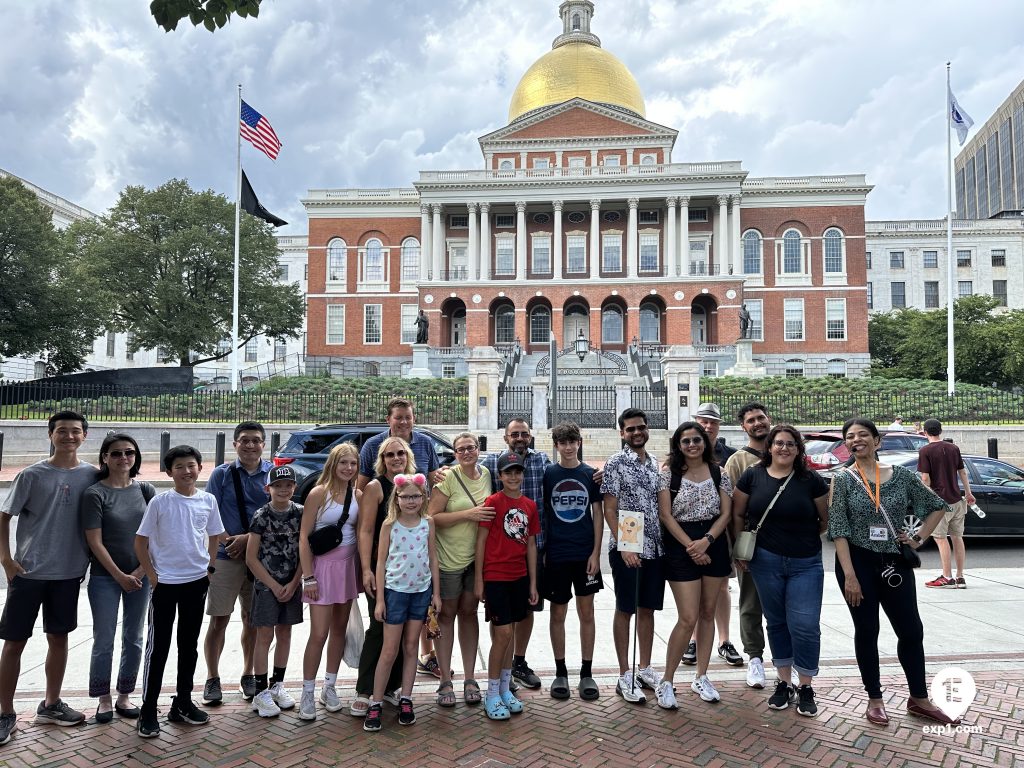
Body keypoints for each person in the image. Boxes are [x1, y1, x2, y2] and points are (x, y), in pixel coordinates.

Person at [828, 418, 959, 727]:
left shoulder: (901, 476)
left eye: (863, 435)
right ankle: (875, 699)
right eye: (850, 437)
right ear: (846, 445)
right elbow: (839, 530)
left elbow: (937, 505)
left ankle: (919, 698)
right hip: (857, 562)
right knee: (867, 630)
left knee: (911, 630)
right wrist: (849, 576)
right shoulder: (843, 479)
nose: (856, 440)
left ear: (877, 441)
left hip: (894, 562)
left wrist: (918, 538)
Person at [0, 411, 94, 743]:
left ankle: (51, 704)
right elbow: (4, 516)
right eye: (61, 431)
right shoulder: (31, 475)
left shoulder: (92, 476)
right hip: (29, 572)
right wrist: (6, 560)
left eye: (75, 431)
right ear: (50, 434)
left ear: (85, 435)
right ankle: (5, 712)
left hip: (68, 573)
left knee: (59, 639)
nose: (68, 436)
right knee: (14, 642)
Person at [733, 425, 829, 718]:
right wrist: (741, 550)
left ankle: (806, 685)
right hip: (765, 561)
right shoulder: (753, 475)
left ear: (798, 449)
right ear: (769, 447)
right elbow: (738, 513)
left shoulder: (809, 479)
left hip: (805, 563)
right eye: (778, 443)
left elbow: (823, 520)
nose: (784, 448)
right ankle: (784, 682)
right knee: (776, 622)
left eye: (790, 444)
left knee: (805, 625)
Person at [134, 445, 225, 738]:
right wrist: (152, 575)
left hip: (196, 582)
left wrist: (210, 567)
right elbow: (140, 542)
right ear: (169, 472)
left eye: (191, 465)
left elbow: (214, 535)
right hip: (165, 585)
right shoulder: (161, 503)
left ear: (200, 467)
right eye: (179, 467)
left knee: (189, 645)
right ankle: (148, 709)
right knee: (158, 647)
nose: (187, 471)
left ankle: (182, 702)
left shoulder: (208, 500)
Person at [657, 422, 733, 709]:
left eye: (696, 440)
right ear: (678, 445)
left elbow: (726, 513)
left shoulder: (719, 473)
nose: (692, 445)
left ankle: (702, 675)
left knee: (707, 612)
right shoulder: (669, 475)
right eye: (686, 441)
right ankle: (667, 680)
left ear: (706, 442)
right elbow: (666, 515)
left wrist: (707, 540)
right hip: (681, 544)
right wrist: (692, 545)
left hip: (713, 542)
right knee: (687, 617)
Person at [83, 433, 156, 724]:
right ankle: (103, 698)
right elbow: (95, 542)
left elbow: (155, 536)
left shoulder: (146, 490)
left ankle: (125, 694)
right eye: (116, 453)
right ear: (104, 458)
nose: (123, 458)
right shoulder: (95, 494)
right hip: (105, 577)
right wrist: (120, 575)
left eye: (129, 452)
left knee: (134, 637)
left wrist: (139, 572)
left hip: (140, 577)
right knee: (104, 639)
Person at [601, 408, 670, 704]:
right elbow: (609, 508)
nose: (637, 432)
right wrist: (626, 546)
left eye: (641, 427)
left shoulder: (655, 463)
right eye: (630, 429)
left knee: (648, 609)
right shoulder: (616, 462)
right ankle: (623, 672)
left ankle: (644, 667)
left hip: (654, 546)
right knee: (625, 609)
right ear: (622, 433)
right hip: (627, 547)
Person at [363, 474, 441, 732]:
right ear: (397, 497)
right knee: (389, 649)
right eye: (406, 496)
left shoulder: (428, 523)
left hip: (421, 592)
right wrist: (380, 601)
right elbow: (381, 562)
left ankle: (406, 698)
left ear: (423, 497)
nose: (411, 501)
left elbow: (432, 557)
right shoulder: (390, 525)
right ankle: (375, 702)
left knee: (411, 647)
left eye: (416, 496)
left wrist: (436, 593)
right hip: (395, 592)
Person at [202, 421, 272, 705]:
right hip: (226, 556)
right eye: (244, 440)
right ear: (235, 444)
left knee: (252, 620)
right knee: (219, 619)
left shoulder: (272, 475)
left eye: (256, 440)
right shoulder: (221, 475)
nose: (250, 445)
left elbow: (279, 512)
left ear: (264, 444)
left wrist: (248, 540)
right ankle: (212, 678)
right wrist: (232, 542)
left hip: (259, 558)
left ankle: (248, 674)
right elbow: (209, 514)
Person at [480, 419, 553, 690]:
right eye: (515, 434)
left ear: (530, 436)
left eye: (524, 434)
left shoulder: (542, 460)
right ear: (506, 437)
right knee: (501, 617)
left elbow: (561, 477)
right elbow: (468, 473)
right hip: (501, 554)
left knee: (526, 610)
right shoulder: (491, 463)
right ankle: (500, 666)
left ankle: (518, 662)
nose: (520, 438)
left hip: (534, 546)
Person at [352, 436, 418, 716]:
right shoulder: (376, 487)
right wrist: (366, 568)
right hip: (383, 570)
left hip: (411, 573)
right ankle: (365, 690)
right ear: (382, 459)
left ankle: (390, 687)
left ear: (408, 456)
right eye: (389, 454)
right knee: (380, 628)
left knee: (403, 632)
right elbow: (365, 530)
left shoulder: (415, 485)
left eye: (400, 453)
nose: (395, 458)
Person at [429, 432, 493, 707]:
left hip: (475, 561)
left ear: (478, 450)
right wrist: (468, 514)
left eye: (471, 448)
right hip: (449, 560)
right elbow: (431, 518)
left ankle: (469, 677)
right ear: (454, 454)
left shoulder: (488, 474)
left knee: (469, 615)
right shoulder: (448, 479)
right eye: (460, 449)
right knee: (446, 617)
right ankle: (445, 680)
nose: (466, 453)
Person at [298, 442, 361, 721]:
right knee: (319, 634)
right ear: (333, 465)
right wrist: (308, 575)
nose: (348, 468)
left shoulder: (357, 495)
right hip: (322, 569)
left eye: (353, 463)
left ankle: (330, 686)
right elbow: (303, 537)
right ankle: (307, 692)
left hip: (348, 568)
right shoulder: (318, 493)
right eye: (343, 463)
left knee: (339, 632)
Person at [474, 453, 540, 721]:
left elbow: (531, 545)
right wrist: (480, 579)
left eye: (517, 472)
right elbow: (481, 541)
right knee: (501, 635)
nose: (513, 477)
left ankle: (504, 687)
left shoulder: (529, 505)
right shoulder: (493, 502)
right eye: (508, 472)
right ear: (499, 476)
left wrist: (533, 582)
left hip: (520, 577)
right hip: (497, 576)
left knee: (511, 634)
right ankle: (491, 693)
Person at [542, 422, 603, 701]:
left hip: (583, 553)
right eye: (562, 442)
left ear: (579, 442)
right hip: (557, 553)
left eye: (572, 442)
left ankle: (586, 671)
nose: (567, 447)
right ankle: (560, 671)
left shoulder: (591, 474)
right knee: (558, 613)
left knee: (587, 612)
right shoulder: (549, 474)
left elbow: (598, 514)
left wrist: (595, 553)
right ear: (556, 445)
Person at [245, 465, 303, 718]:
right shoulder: (261, 516)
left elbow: (305, 552)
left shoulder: (300, 513)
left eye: (288, 485)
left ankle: (277, 683)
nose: (283, 489)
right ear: (268, 488)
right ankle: (260, 691)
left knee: (285, 633)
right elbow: (251, 558)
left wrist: (293, 583)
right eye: (277, 485)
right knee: (264, 636)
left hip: (292, 584)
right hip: (267, 585)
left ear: (294, 487)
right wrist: (273, 585)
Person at [687, 402, 741, 668]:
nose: (708, 426)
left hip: (721, 532)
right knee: (693, 587)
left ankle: (724, 640)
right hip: (691, 535)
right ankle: (695, 639)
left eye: (713, 422)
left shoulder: (730, 456)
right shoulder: (683, 452)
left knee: (721, 586)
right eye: (703, 421)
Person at [723, 402, 772, 689]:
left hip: (785, 542)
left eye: (760, 418)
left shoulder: (785, 449)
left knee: (782, 605)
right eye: (751, 420)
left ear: (769, 419)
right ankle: (754, 657)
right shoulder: (737, 462)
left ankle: (783, 658)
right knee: (751, 604)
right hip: (751, 542)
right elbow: (730, 510)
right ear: (743, 427)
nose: (757, 423)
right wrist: (735, 548)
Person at [919, 419, 975, 589]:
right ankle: (960, 576)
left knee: (940, 538)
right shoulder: (953, 448)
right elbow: (962, 472)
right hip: (957, 499)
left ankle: (946, 576)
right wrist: (969, 492)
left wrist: (925, 497)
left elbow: (925, 478)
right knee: (957, 537)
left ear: (924, 432)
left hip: (939, 502)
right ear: (940, 431)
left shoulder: (925, 450)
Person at [358, 398, 441, 492]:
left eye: (408, 417)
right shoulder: (371, 445)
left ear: (414, 419)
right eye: (398, 418)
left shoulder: (425, 442)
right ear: (388, 419)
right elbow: (361, 488)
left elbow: (434, 483)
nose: (404, 422)